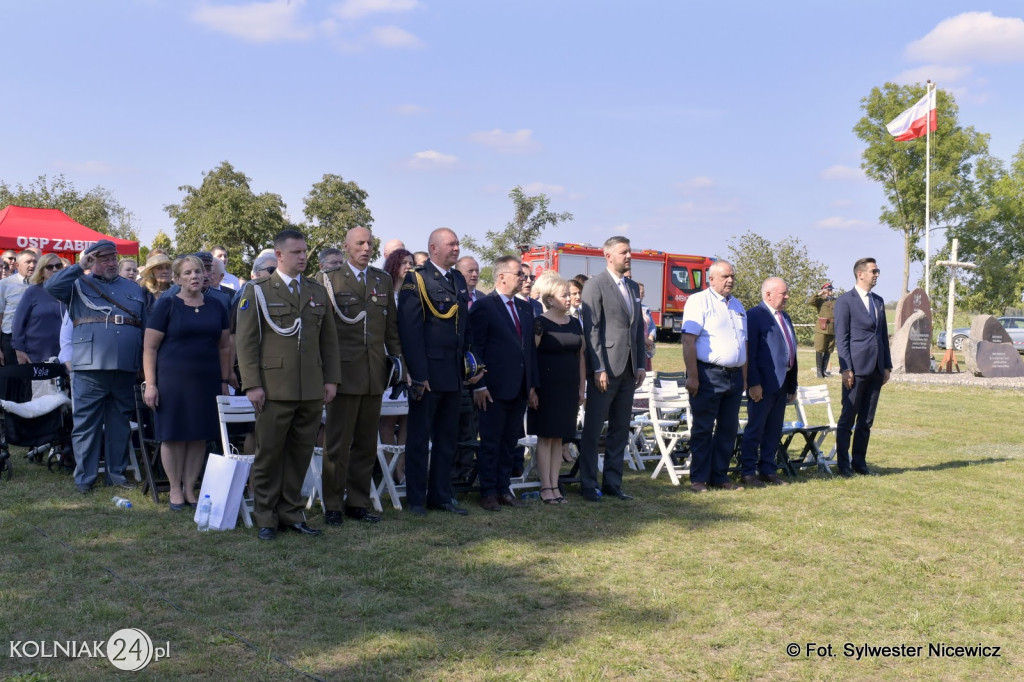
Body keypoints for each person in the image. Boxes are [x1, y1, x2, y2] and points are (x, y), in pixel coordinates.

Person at [235, 229, 341, 540]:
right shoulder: (258, 290)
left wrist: (331, 379)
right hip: (274, 387)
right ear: (279, 255)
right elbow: (246, 342)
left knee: (300, 453)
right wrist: (252, 384)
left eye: (305, 251)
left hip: (310, 387)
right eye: (296, 252)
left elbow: (329, 341)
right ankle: (266, 516)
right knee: (269, 454)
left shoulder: (316, 290)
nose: (303, 256)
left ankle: (292, 513)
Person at [317, 226, 403, 525]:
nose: (366, 248)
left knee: (366, 443)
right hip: (342, 374)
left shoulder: (383, 279)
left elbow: (391, 329)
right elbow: (322, 332)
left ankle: (358, 501)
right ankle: (332, 504)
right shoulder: (329, 280)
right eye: (360, 243)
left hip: (373, 374)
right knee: (337, 444)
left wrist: (399, 364)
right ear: (347, 247)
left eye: (369, 243)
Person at [46, 240, 147, 494]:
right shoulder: (77, 283)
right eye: (104, 259)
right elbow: (51, 286)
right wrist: (80, 267)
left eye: (113, 258)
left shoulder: (134, 288)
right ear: (92, 260)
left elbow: (145, 326)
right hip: (89, 365)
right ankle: (85, 477)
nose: (111, 263)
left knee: (120, 423)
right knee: (86, 424)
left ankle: (116, 473)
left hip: (125, 365)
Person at [398, 228, 481, 516]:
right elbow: (410, 330)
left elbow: (464, 326)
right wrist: (419, 375)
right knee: (420, 439)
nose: (456, 248)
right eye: (451, 244)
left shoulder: (456, 278)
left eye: (458, 243)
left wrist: (470, 362)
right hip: (429, 373)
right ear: (433, 248)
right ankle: (417, 499)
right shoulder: (417, 279)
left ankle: (441, 495)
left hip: (453, 372)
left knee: (448, 438)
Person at [143, 256, 231, 511]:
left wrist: (224, 380)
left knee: (199, 436)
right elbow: (150, 347)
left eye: (199, 272)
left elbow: (225, 347)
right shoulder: (167, 305)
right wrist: (151, 384)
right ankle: (174, 489)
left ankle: (190, 488)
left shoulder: (217, 306)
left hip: (207, 380)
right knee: (173, 436)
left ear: (206, 276)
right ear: (177, 278)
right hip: (172, 380)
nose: (194, 276)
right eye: (188, 272)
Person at [578, 236, 646, 502]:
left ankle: (613, 483)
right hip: (605, 369)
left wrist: (640, 363)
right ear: (608, 256)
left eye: (630, 251)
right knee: (594, 429)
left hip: (629, 369)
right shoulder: (595, 285)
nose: (629, 256)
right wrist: (598, 368)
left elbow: (637, 328)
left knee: (620, 428)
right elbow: (591, 328)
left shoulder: (630, 286)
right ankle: (587, 484)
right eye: (624, 252)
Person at [470, 256, 539, 512]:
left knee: (510, 441)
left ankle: (503, 487)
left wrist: (531, 384)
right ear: (501, 277)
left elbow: (528, 349)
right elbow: (475, 347)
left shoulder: (523, 308)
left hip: (519, 386)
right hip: (492, 388)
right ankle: (487, 490)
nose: (524, 279)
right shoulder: (484, 306)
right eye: (519, 274)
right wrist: (479, 385)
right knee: (491, 441)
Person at [680, 260, 747, 493]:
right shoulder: (699, 301)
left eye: (732, 276)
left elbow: (743, 344)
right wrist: (693, 376)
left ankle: (720, 476)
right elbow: (688, 340)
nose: (730, 280)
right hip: (708, 375)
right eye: (725, 276)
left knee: (728, 430)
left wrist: (745, 378)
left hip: (734, 376)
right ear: (711, 279)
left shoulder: (738, 305)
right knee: (703, 428)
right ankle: (699, 479)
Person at [529, 272, 584, 504]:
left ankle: (555, 485)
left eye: (569, 295)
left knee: (560, 437)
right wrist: (531, 388)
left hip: (569, 387)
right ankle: (546, 487)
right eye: (564, 295)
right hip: (546, 387)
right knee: (546, 437)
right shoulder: (539, 323)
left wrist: (582, 387)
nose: (569, 299)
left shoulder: (574, 322)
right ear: (550, 299)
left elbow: (581, 356)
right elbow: (530, 356)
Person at [833, 258, 891, 478]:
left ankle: (860, 463)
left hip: (876, 368)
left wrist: (887, 365)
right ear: (860, 274)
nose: (877, 274)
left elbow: (882, 335)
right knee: (848, 418)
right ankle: (843, 466)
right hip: (855, 370)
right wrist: (845, 368)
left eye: (878, 271)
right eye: (873, 271)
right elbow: (842, 337)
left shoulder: (878, 301)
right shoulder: (845, 301)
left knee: (866, 420)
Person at [740, 277, 797, 488]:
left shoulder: (785, 317)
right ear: (768, 295)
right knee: (755, 428)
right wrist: (753, 383)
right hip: (762, 384)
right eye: (784, 293)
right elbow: (750, 353)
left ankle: (768, 470)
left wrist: (792, 385)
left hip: (781, 384)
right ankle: (747, 472)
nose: (787, 297)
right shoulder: (754, 316)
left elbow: (791, 352)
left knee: (774, 429)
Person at [378, 248, 414, 481]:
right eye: (404, 263)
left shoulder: (413, 293)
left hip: (410, 356)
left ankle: (401, 467)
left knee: (407, 417)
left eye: (411, 263)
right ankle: (388, 468)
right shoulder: (385, 292)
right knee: (389, 417)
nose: (409, 267)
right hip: (388, 359)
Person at [12, 252, 65, 363]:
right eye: (49, 267)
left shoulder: (70, 291)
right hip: (37, 353)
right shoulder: (33, 292)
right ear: (41, 272)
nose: (55, 269)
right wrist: (19, 350)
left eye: (58, 266)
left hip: (64, 353)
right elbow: (18, 322)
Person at [0, 250, 38, 375]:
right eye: (28, 262)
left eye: (35, 261)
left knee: (33, 382)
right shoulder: (4, 285)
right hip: (10, 340)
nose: (32, 265)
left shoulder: (42, 285)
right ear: (17, 265)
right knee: (13, 381)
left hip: (35, 339)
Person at [808, 282, 837, 378]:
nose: (830, 292)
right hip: (822, 327)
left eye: (831, 290)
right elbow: (809, 301)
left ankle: (824, 371)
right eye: (828, 290)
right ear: (824, 291)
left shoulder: (835, 301)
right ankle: (819, 372)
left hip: (832, 328)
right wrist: (819, 294)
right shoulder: (820, 300)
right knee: (820, 349)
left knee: (829, 349)